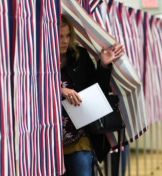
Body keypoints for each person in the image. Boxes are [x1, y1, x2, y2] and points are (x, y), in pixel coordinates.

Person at [60, 14, 124, 176]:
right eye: (60, 36)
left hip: (78, 138)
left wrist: (103, 65)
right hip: (49, 142)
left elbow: (98, 91)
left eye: (68, 36)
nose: (65, 41)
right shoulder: (39, 62)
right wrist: (58, 90)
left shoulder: (79, 56)